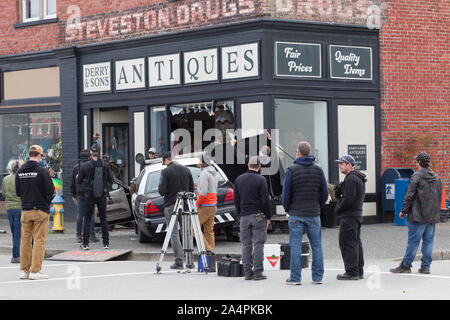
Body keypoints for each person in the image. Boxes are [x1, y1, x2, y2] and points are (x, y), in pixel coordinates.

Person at [282, 141, 328, 285]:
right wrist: (318, 207)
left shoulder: (291, 170)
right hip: (314, 213)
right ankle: (317, 277)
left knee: (295, 245)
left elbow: (286, 195)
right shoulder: (319, 170)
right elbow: (325, 194)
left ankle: (295, 278)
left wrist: (288, 209)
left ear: (298, 153)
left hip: (296, 213)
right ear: (310, 153)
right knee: (317, 246)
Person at [390, 152, 443, 274]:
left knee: (413, 242)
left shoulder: (416, 176)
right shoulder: (436, 177)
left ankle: (406, 265)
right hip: (432, 215)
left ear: (419, 162)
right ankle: (425, 267)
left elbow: (409, 196)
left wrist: (403, 211)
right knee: (428, 242)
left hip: (418, 215)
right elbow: (439, 195)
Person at [15, 145, 55, 280]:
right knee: (39, 240)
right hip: (40, 210)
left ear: (29, 156)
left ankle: (24, 270)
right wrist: (46, 202)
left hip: (25, 210)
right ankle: (35, 271)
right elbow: (50, 191)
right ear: (38, 156)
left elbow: (18, 192)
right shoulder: (42, 171)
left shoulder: (20, 171)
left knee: (25, 241)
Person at [234, 156, 272, 281]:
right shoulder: (261, 179)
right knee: (258, 243)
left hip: (244, 215)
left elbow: (236, 200)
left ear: (248, 165)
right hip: (258, 215)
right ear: (259, 166)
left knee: (246, 244)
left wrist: (240, 214)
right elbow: (265, 201)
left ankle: (247, 273)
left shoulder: (239, 179)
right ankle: (257, 272)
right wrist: (268, 216)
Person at [158, 151, 195, 269]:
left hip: (171, 205)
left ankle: (179, 261)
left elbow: (161, 191)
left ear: (166, 160)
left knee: (174, 233)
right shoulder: (186, 170)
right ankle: (190, 261)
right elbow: (191, 190)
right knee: (187, 232)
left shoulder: (166, 171)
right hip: (185, 204)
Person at [334, 154, 367, 280]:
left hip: (349, 216)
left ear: (349, 165)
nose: (339, 166)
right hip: (356, 215)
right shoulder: (357, 178)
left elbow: (348, 199)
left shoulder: (351, 179)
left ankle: (352, 272)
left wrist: (338, 208)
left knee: (347, 243)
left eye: (341, 163)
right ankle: (359, 270)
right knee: (355, 242)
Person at [77, 143, 114, 250]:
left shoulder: (85, 166)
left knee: (87, 218)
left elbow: (78, 181)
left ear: (91, 153)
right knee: (103, 218)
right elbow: (111, 180)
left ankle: (85, 244)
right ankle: (106, 243)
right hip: (101, 194)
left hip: (89, 194)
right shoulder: (105, 165)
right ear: (100, 152)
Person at [71, 149, 98, 244]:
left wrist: (73, 194)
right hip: (90, 193)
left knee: (80, 215)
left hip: (80, 194)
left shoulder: (75, 168)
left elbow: (73, 183)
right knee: (91, 215)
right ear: (89, 157)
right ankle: (91, 235)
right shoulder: (93, 166)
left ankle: (79, 235)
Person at [195, 154, 218, 253]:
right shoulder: (214, 172)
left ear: (202, 163)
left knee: (194, 229)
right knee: (209, 230)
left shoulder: (204, 173)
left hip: (205, 206)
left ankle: (207, 249)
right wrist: (198, 187)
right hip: (213, 204)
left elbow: (203, 192)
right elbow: (211, 188)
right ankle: (211, 252)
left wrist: (196, 204)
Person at [2, 160, 23, 263]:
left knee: (14, 232)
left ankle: (16, 254)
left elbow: (4, 194)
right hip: (19, 207)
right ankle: (16, 256)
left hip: (9, 208)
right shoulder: (21, 179)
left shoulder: (5, 179)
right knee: (18, 233)